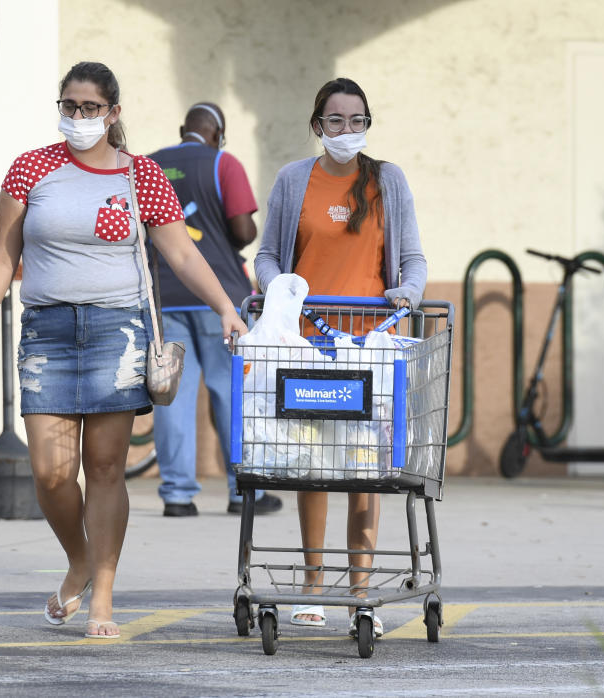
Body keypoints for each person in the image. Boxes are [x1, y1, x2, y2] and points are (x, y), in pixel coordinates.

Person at [0, 62, 247, 639]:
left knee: (106, 468)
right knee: (50, 473)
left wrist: (225, 307)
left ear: (113, 113)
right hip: (48, 334)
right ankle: (79, 560)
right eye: (70, 105)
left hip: (119, 332)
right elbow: (0, 255)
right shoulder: (31, 169)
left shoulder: (141, 176)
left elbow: (185, 257)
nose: (79, 117)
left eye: (91, 108)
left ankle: (103, 598)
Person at [254, 77, 426, 637]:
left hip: (369, 343)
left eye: (356, 121)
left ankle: (359, 591)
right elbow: (269, 255)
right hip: (305, 341)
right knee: (311, 464)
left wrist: (408, 294)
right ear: (317, 125)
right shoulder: (292, 180)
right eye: (335, 121)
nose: (346, 131)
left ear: (368, 125)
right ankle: (310, 583)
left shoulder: (387, 181)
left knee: (363, 467)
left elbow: (414, 261)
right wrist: (277, 288)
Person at [148, 103, 282, 517]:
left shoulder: (151, 165)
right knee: (231, 393)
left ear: (183, 129)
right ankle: (244, 492)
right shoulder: (224, 163)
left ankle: (176, 495)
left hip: (164, 296)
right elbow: (243, 230)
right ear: (218, 134)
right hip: (219, 297)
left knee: (172, 396)